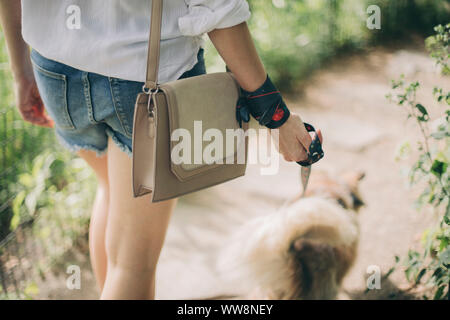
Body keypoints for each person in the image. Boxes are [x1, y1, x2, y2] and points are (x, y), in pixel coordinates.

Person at [0, 0, 323, 299]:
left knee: (112, 191)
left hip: (54, 71)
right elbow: (218, 9)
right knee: (132, 265)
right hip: (146, 78)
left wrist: (20, 68)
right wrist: (276, 116)